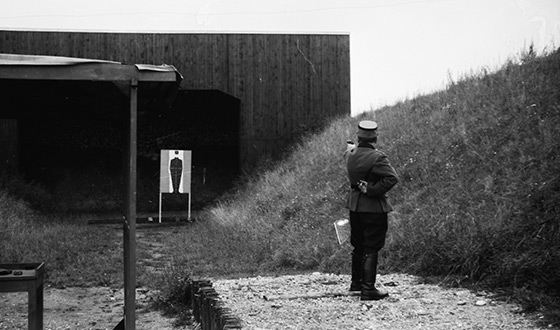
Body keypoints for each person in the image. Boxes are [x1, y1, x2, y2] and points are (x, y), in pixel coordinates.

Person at [344, 120, 399, 301]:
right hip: (373, 209)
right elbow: (392, 178)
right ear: (375, 137)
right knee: (371, 247)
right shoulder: (378, 157)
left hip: (355, 207)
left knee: (358, 245)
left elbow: (352, 153)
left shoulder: (350, 154)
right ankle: (368, 289)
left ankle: (356, 285)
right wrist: (373, 189)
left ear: (359, 137)